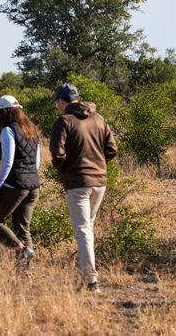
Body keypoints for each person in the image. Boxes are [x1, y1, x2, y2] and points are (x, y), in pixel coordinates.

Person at [50, 83, 117, 293]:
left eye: (57, 103)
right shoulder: (98, 118)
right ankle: (82, 276)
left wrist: (66, 169)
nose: (57, 107)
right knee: (87, 228)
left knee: (83, 231)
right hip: (100, 183)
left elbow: (57, 154)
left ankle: (91, 281)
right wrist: (97, 164)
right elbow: (112, 149)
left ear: (62, 101)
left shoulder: (64, 121)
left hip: (78, 183)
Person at [0, 95, 40, 273]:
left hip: (15, 185)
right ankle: (24, 274)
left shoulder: (8, 130)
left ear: (4, 112)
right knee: (23, 228)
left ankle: (23, 250)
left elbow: (7, 162)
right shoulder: (32, 129)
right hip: (33, 186)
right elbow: (37, 162)